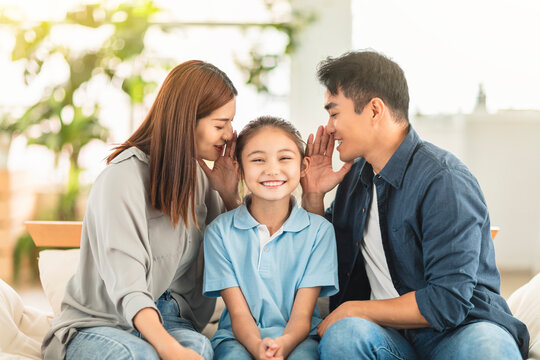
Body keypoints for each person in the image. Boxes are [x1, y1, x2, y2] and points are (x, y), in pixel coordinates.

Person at [300, 50, 530, 359]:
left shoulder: (444, 180)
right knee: (344, 335)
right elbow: (325, 258)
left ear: (374, 110)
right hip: (391, 337)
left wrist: (358, 308)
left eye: (334, 112)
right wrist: (313, 195)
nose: (328, 127)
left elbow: (447, 302)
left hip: (461, 330)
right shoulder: (355, 178)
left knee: (487, 350)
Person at [41, 60, 241, 360]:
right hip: (102, 323)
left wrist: (228, 195)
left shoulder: (202, 178)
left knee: (199, 347)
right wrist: (169, 348)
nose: (229, 135)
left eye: (230, 123)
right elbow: (128, 285)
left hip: (172, 318)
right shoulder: (121, 178)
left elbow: (233, 255)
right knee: (140, 356)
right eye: (220, 124)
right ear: (187, 120)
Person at [202, 116, 339, 360]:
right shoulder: (219, 233)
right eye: (257, 160)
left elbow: (302, 316)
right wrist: (257, 347)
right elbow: (239, 315)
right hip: (237, 338)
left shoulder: (320, 232)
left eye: (285, 158)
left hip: (299, 338)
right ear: (238, 168)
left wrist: (283, 345)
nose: (272, 169)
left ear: (303, 166)